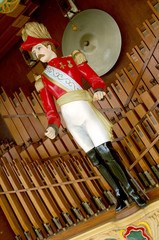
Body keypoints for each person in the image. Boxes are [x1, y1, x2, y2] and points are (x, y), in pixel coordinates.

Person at [21, 22, 146, 212]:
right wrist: (52, 126)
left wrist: (98, 89)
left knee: (107, 153)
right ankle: (119, 194)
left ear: (48, 44)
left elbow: (95, 79)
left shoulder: (72, 60)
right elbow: (51, 111)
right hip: (72, 122)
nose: (36, 53)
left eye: (38, 47)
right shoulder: (43, 79)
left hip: (86, 113)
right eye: (33, 50)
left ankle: (133, 191)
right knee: (96, 160)